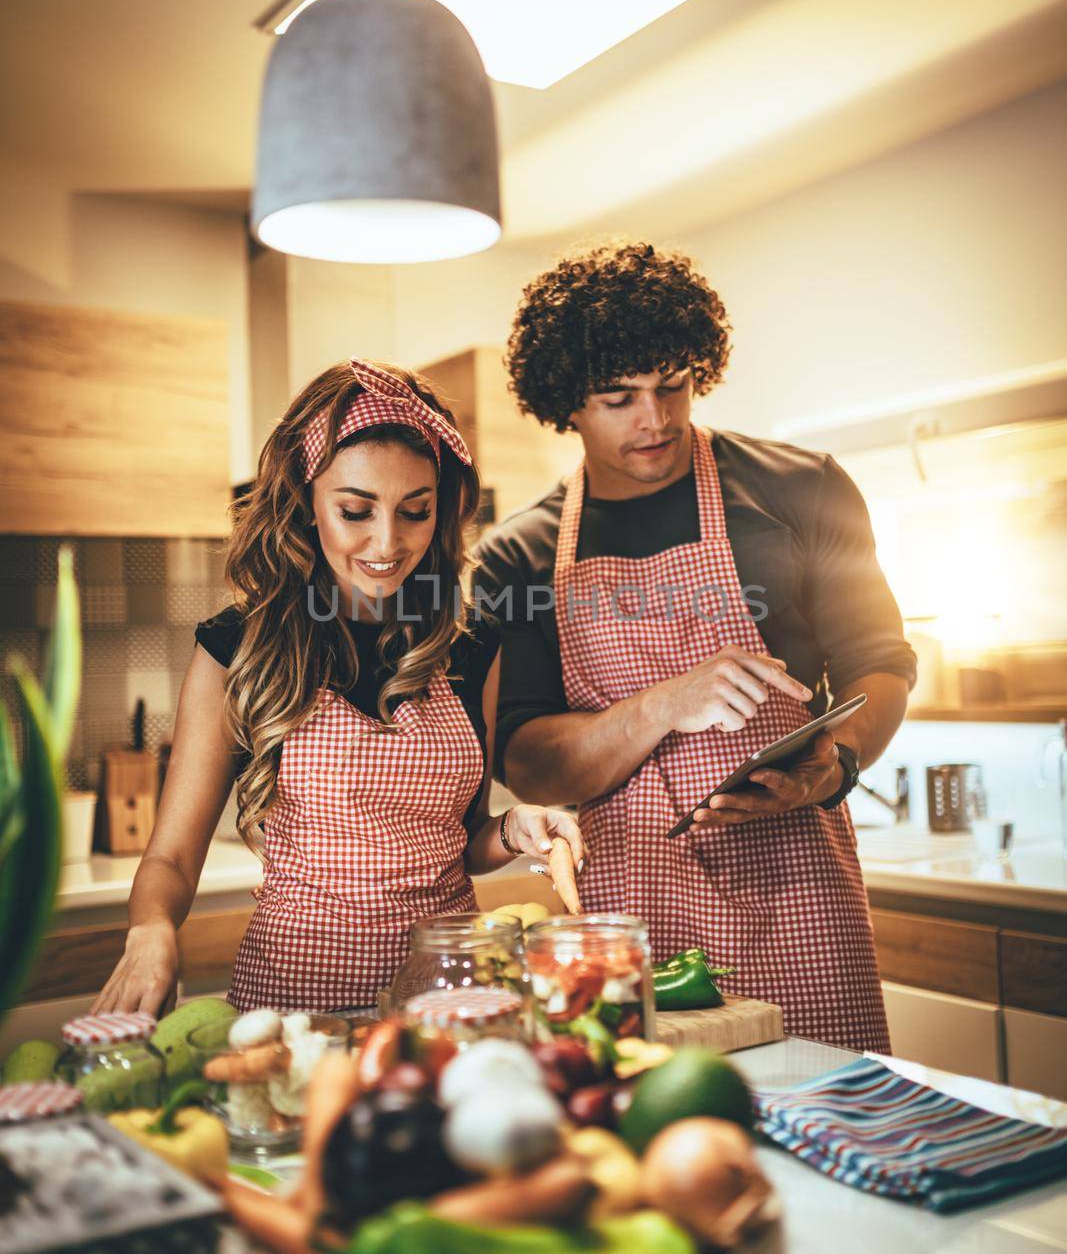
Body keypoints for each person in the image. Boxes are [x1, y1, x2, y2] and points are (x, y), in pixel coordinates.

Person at [475, 242, 917, 1051]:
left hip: (797, 887)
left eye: (672, 386)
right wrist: (667, 702)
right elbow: (528, 762)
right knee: (659, 1137)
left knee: (835, 1118)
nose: (656, 419)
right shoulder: (521, 552)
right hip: (631, 902)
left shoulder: (799, 487)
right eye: (618, 398)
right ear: (565, 403)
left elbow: (880, 663)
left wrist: (834, 765)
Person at [95, 358, 583, 1016]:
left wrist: (516, 827)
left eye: (415, 511)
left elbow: (460, 841)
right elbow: (173, 861)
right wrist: (151, 930)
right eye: (356, 510)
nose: (387, 542)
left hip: (449, 1006)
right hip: (297, 1015)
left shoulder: (472, 646)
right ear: (306, 503)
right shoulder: (238, 649)